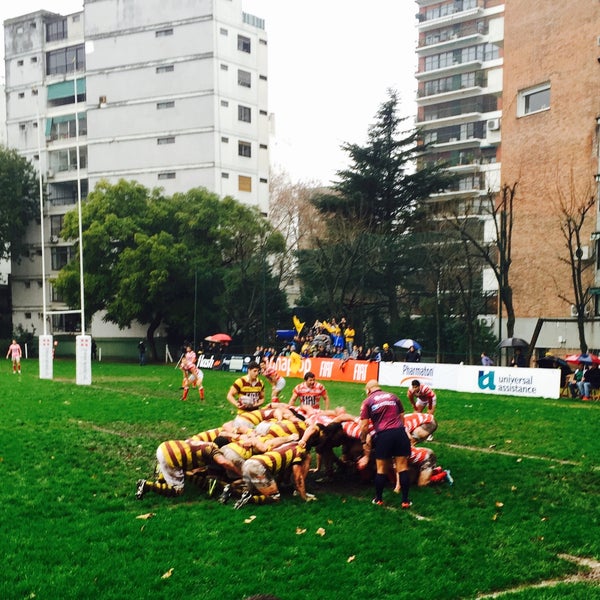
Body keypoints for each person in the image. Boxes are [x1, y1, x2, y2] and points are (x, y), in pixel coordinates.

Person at [359, 379, 412, 508]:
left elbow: (365, 426)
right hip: (400, 433)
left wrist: (363, 440)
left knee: (381, 468)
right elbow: (402, 416)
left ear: (368, 390)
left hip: (383, 435)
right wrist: (399, 430)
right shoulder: (393, 396)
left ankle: (379, 499)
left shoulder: (368, 401)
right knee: (403, 467)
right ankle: (405, 501)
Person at [135, 439, 237, 499]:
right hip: (172, 457)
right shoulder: (213, 449)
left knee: (185, 474)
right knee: (178, 491)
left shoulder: (202, 443)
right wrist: (240, 472)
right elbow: (223, 462)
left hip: (164, 447)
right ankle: (147, 485)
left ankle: (162, 474)